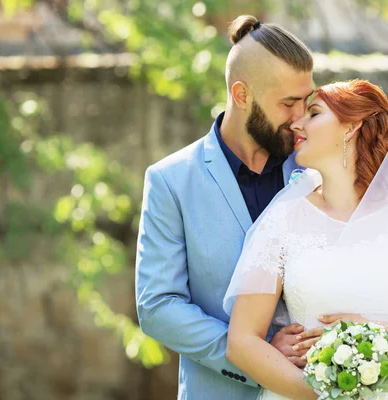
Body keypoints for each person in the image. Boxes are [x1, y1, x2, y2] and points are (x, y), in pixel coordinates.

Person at [224, 80, 388, 399]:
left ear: (351, 126)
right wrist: (324, 394)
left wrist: (379, 331)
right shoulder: (284, 218)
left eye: (314, 113)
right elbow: (241, 342)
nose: (296, 122)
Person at [135, 15, 319, 400]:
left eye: (307, 100)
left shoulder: (319, 167)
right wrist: (259, 355)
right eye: (288, 103)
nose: (301, 117)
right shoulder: (171, 181)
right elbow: (158, 306)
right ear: (241, 95)